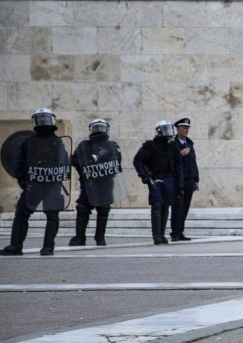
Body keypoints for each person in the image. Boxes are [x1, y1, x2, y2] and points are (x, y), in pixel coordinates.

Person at [2, 108, 71, 256]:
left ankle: (43, 247)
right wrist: (22, 180)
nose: (44, 122)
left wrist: (23, 180)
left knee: (48, 215)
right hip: (37, 184)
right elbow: (20, 162)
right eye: (42, 119)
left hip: (46, 184)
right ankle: (22, 246)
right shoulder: (32, 141)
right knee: (24, 214)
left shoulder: (56, 142)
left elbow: (64, 162)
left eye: (45, 119)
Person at [68, 119, 122, 247]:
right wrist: (85, 168)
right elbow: (75, 160)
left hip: (105, 182)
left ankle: (100, 238)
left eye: (100, 127)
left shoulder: (112, 146)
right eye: (96, 127)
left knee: (103, 209)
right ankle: (80, 238)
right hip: (89, 182)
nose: (98, 130)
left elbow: (117, 162)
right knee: (83, 208)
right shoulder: (84, 145)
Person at [133, 120, 180, 246]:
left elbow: (178, 162)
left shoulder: (172, 146)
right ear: (159, 131)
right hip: (154, 177)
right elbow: (137, 160)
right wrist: (144, 175)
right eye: (165, 130)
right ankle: (156, 236)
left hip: (168, 177)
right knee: (157, 204)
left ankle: (162, 234)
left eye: (169, 129)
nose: (168, 133)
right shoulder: (150, 146)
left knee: (165, 206)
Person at [170, 117, 198, 242]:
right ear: (177, 129)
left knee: (185, 208)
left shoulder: (189, 143)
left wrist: (196, 179)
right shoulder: (172, 144)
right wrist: (180, 154)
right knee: (177, 207)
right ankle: (174, 232)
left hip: (189, 180)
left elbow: (193, 163)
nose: (186, 130)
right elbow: (168, 161)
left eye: (187, 128)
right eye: (183, 128)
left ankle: (180, 232)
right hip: (178, 181)